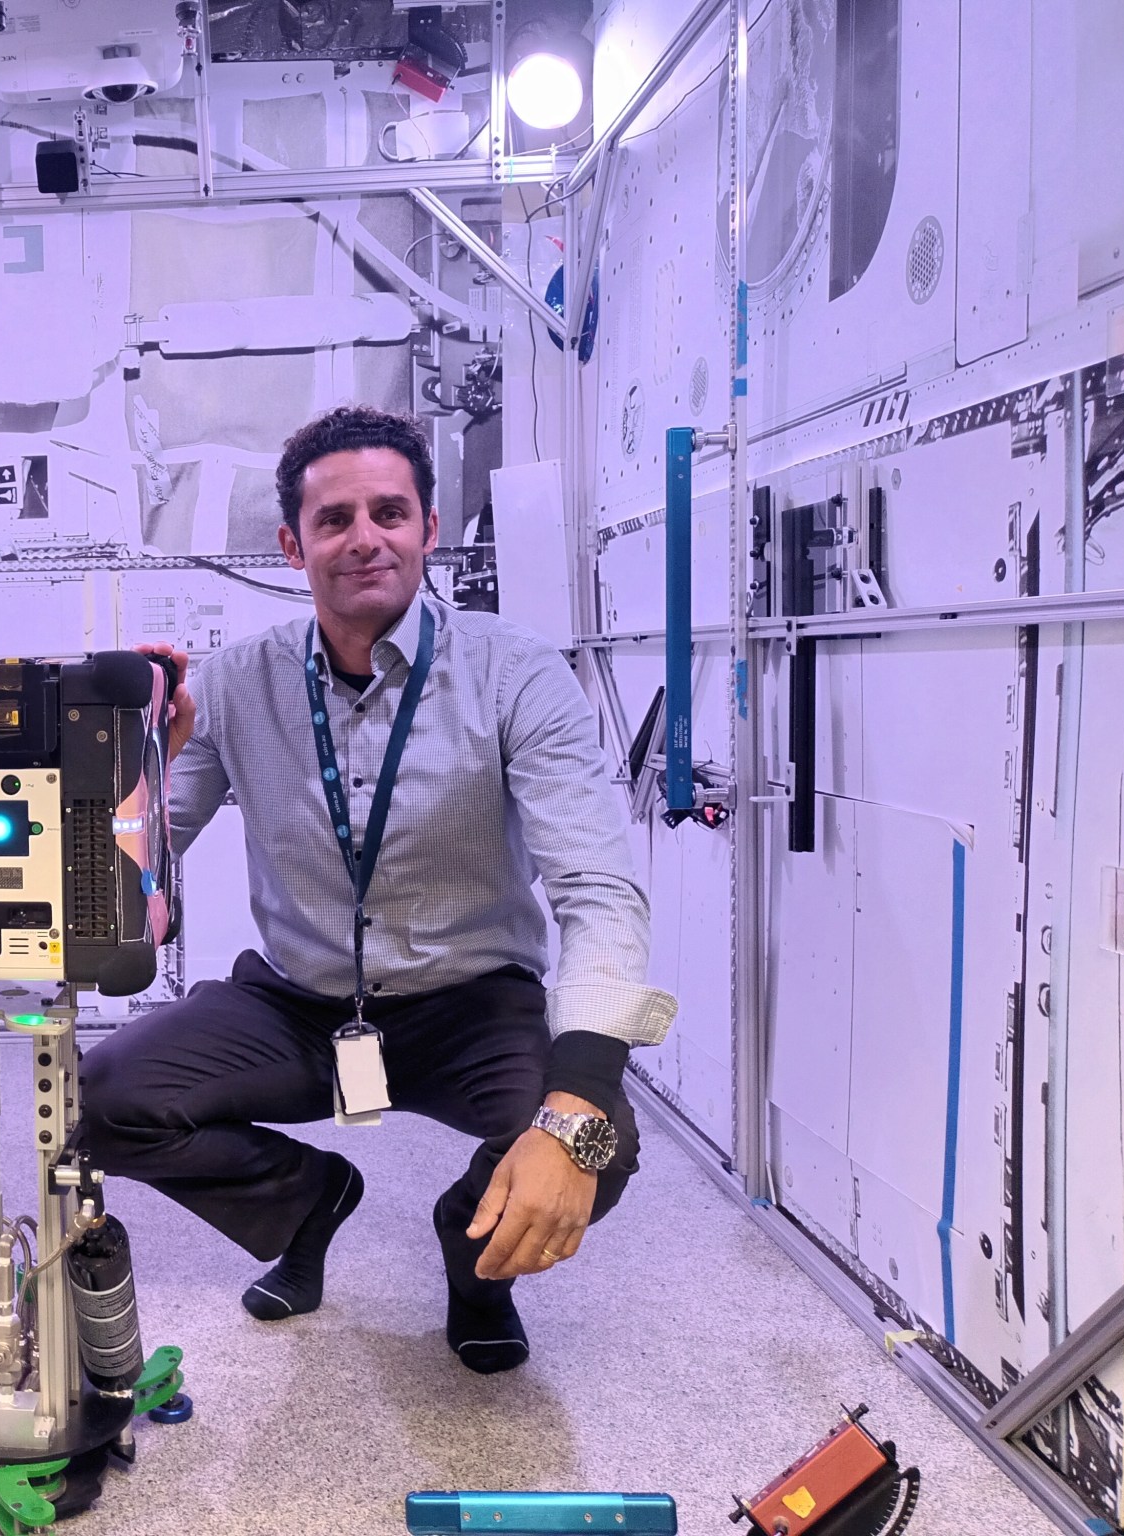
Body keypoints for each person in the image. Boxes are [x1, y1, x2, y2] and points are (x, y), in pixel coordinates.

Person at [78, 405, 677, 1372]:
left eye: (391, 513)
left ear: (429, 530)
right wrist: (145, 757)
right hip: (298, 1004)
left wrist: (578, 1099)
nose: (366, 538)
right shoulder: (236, 685)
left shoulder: (515, 673)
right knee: (97, 1101)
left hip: (471, 1003)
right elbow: (130, 882)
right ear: (292, 543)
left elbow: (599, 889)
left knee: (596, 1143)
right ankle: (306, 1202)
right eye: (335, 519)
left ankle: (472, 1258)